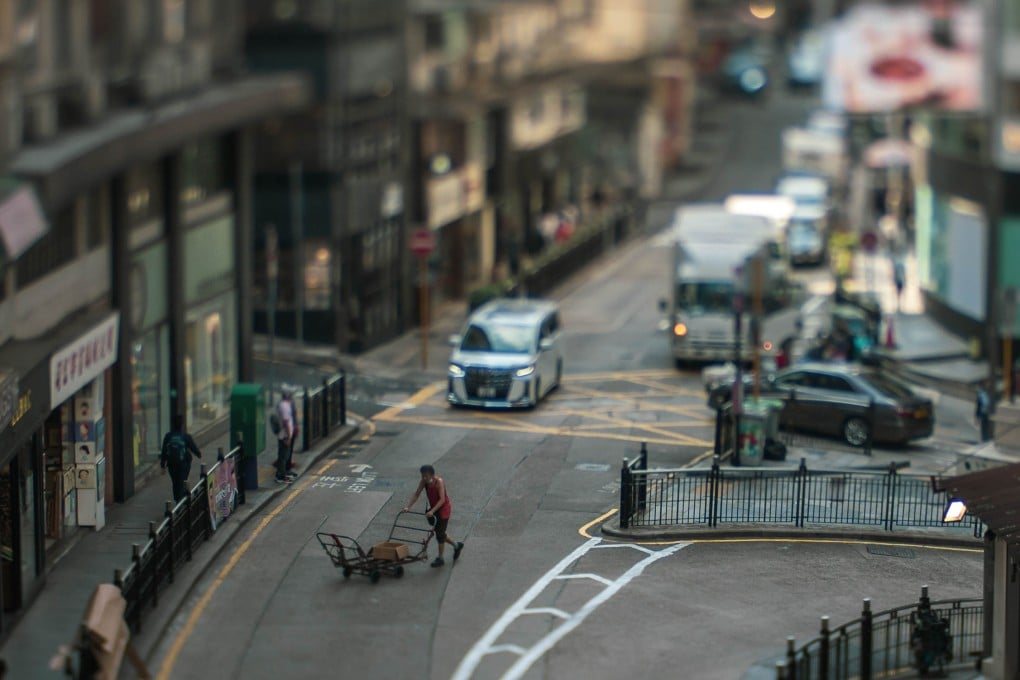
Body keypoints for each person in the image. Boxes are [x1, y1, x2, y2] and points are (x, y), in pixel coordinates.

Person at [403, 465, 464, 567]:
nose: (424, 478)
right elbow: (417, 493)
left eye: (426, 476)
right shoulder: (424, 482)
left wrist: (432, 511)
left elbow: (442, 500)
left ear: (431, 475)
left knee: (440, 535)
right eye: (422, 476)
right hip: (434, 510)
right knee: (440, 532)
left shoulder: (439, 482)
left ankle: (440, 558)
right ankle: (456, 545)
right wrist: (408, 507)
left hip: (443, 509)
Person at [160, 415, 202, 502]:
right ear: (182, 425)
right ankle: (181, 504)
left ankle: (177, 501)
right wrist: (199, 454)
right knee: (182, 482)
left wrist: (162, 466)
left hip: (171, 464)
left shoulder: (168, 436)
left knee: (175, 483)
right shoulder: (186, 436)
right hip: (183, 464)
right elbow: (194, 448)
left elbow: (164, 451)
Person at [275, 391, 297, 484]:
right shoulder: (285, 406)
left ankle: (284, 473)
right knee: (283, 456)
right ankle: (280, 476)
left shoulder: (284, 405)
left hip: (284, 434)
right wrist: (288, 436)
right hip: (284, 435)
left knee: (285, 455)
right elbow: (286, 422)